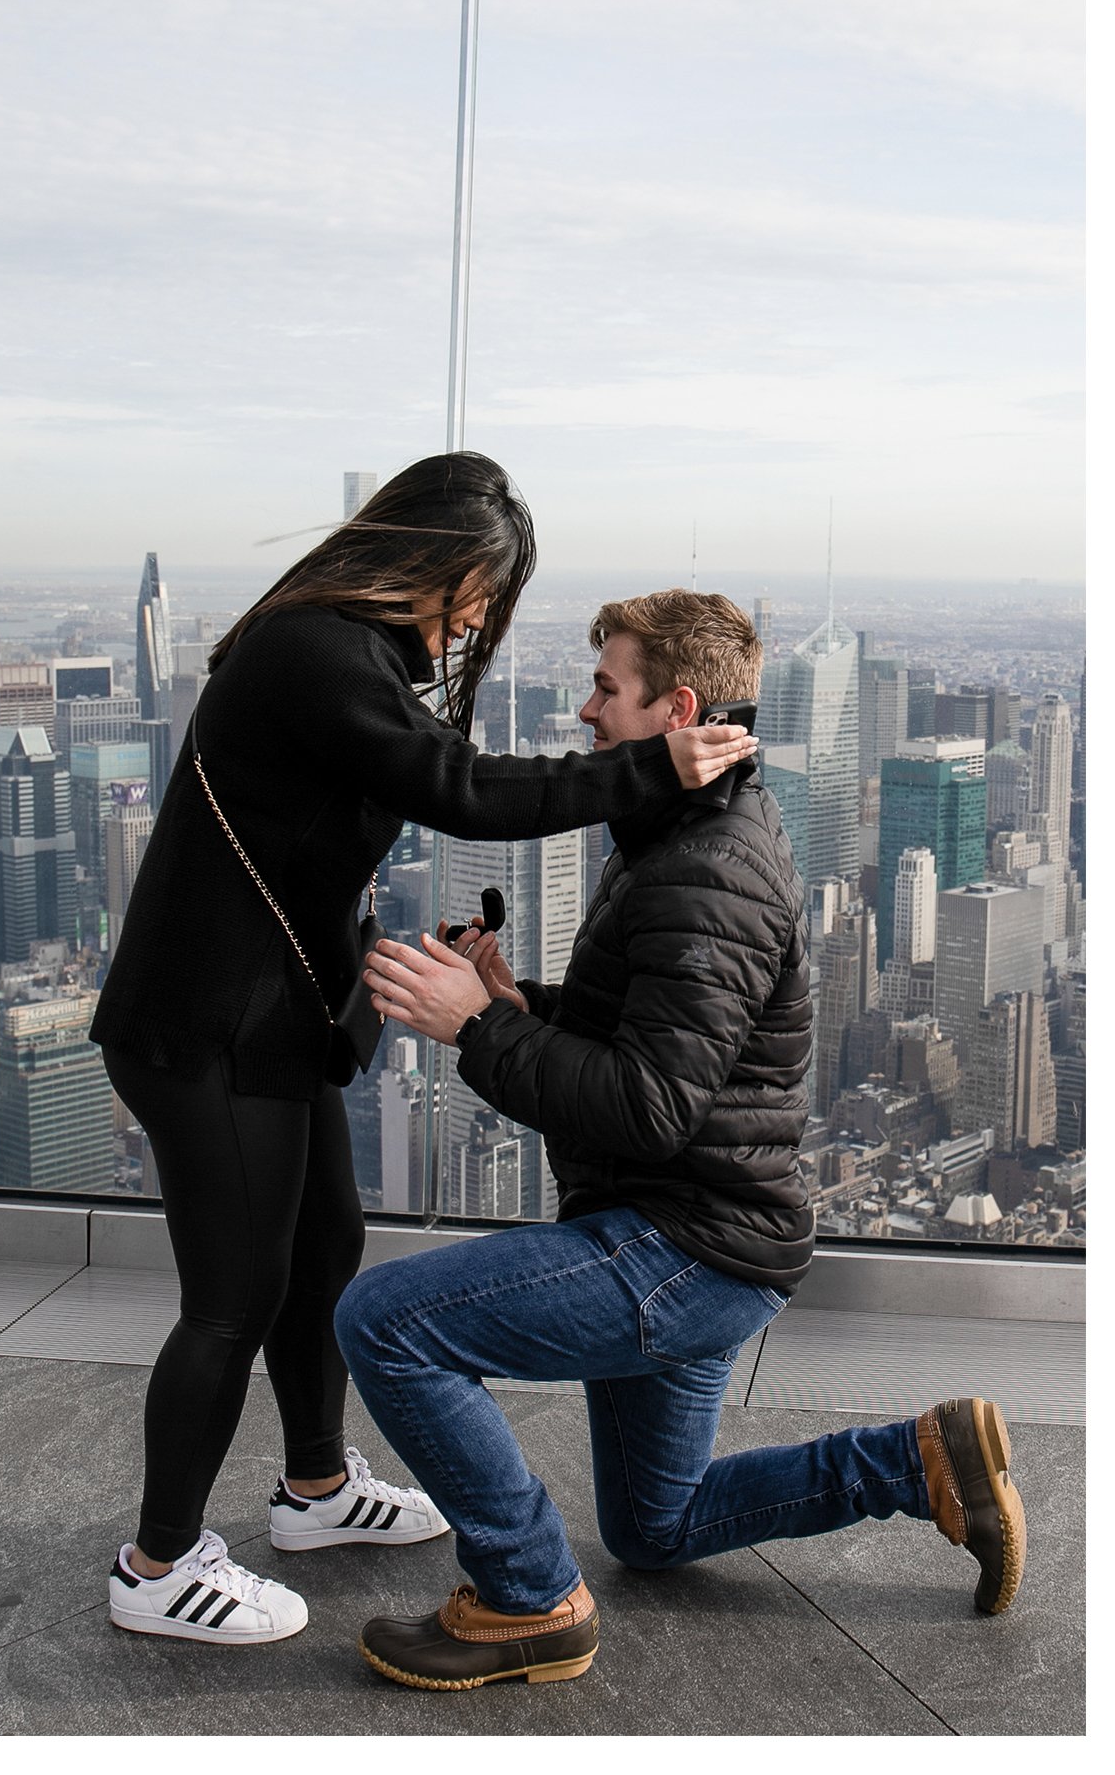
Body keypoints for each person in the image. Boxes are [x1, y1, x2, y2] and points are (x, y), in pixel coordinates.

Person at [89, 454, 759, 1645]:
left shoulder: (355, 658)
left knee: (324, 1249)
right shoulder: (314, 650)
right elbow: (457, 788)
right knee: (230, 1298)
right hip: (203, 1027)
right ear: (431, 560)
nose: (473, 623)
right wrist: (645, 766)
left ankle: (314, 1489)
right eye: (476, 594)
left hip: (273, 1022)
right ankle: (157, 1563)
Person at [341, 588, 1023, 1691]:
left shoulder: (703, 869)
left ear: (679, 710)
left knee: (384, 1323)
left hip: (684, 1246)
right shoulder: (681, 833)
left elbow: (648, 1104)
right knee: (655, 1527)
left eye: (606, 688)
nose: (583, 708)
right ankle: (923, 1458)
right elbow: (660, 1039)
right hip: (699, 1228)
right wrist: (517, 1004)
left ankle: (524, 1599)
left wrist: (476, 1030)